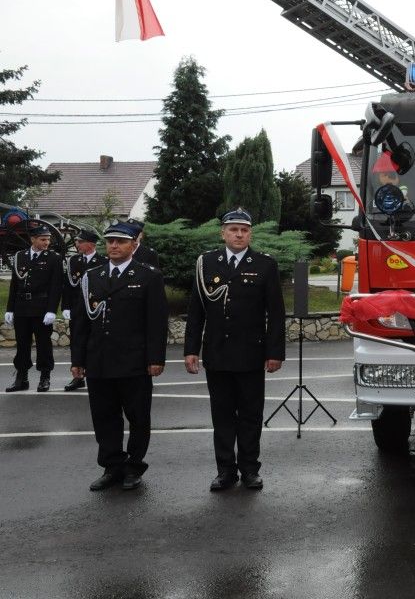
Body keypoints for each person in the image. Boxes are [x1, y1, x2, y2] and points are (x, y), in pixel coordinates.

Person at [184, 208, 286, 492]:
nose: (239, 234)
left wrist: (274, 352)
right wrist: (191, 349)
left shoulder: (265, 264)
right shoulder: (207, 263)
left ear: (250, 233)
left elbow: (275, 313)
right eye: (233, 229)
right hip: (217, 354)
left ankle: (250, 470)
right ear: (223, 233)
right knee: (223, 417)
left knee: (251, 416)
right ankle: (225, 471)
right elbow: (196, 312)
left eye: (244, 230)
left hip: (251, 354)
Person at [70, 222, 168, 491]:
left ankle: (134, 466)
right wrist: (77, 360)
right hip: (99, 359)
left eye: (120, 242)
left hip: (134, 360)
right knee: (104, 416)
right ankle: (112, 465)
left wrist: (156, 358)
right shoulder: (93, 276)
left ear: (133, 245)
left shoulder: (148, 275)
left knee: (138, 416)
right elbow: (80, 322)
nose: (113, 246)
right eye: (110, 241)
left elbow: (156, 322)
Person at [4, 224, 63, 393]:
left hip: (41, 308)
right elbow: (14, 285)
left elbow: (56, 286)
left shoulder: (54, 258)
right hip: (22, 307)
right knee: (22, 344)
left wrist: (52, 310)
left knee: (44, 344)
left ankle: (45, 377)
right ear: (33, 239)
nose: (47, 243)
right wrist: (10, 309)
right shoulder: (19, 256)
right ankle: (21, 378)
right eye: (43, 239)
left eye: (48, 239)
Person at [61, 228, 109, 391]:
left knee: (96, 340)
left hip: (96, 309)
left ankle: (96, 372)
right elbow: (67, 286)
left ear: (91, 244)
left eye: (80, 242)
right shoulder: (73, 261)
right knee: (77, 340)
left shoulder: (103, 261)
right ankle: (78, 376)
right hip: (77, 308)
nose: (77, 244)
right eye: (77, 241)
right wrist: (65, 306)